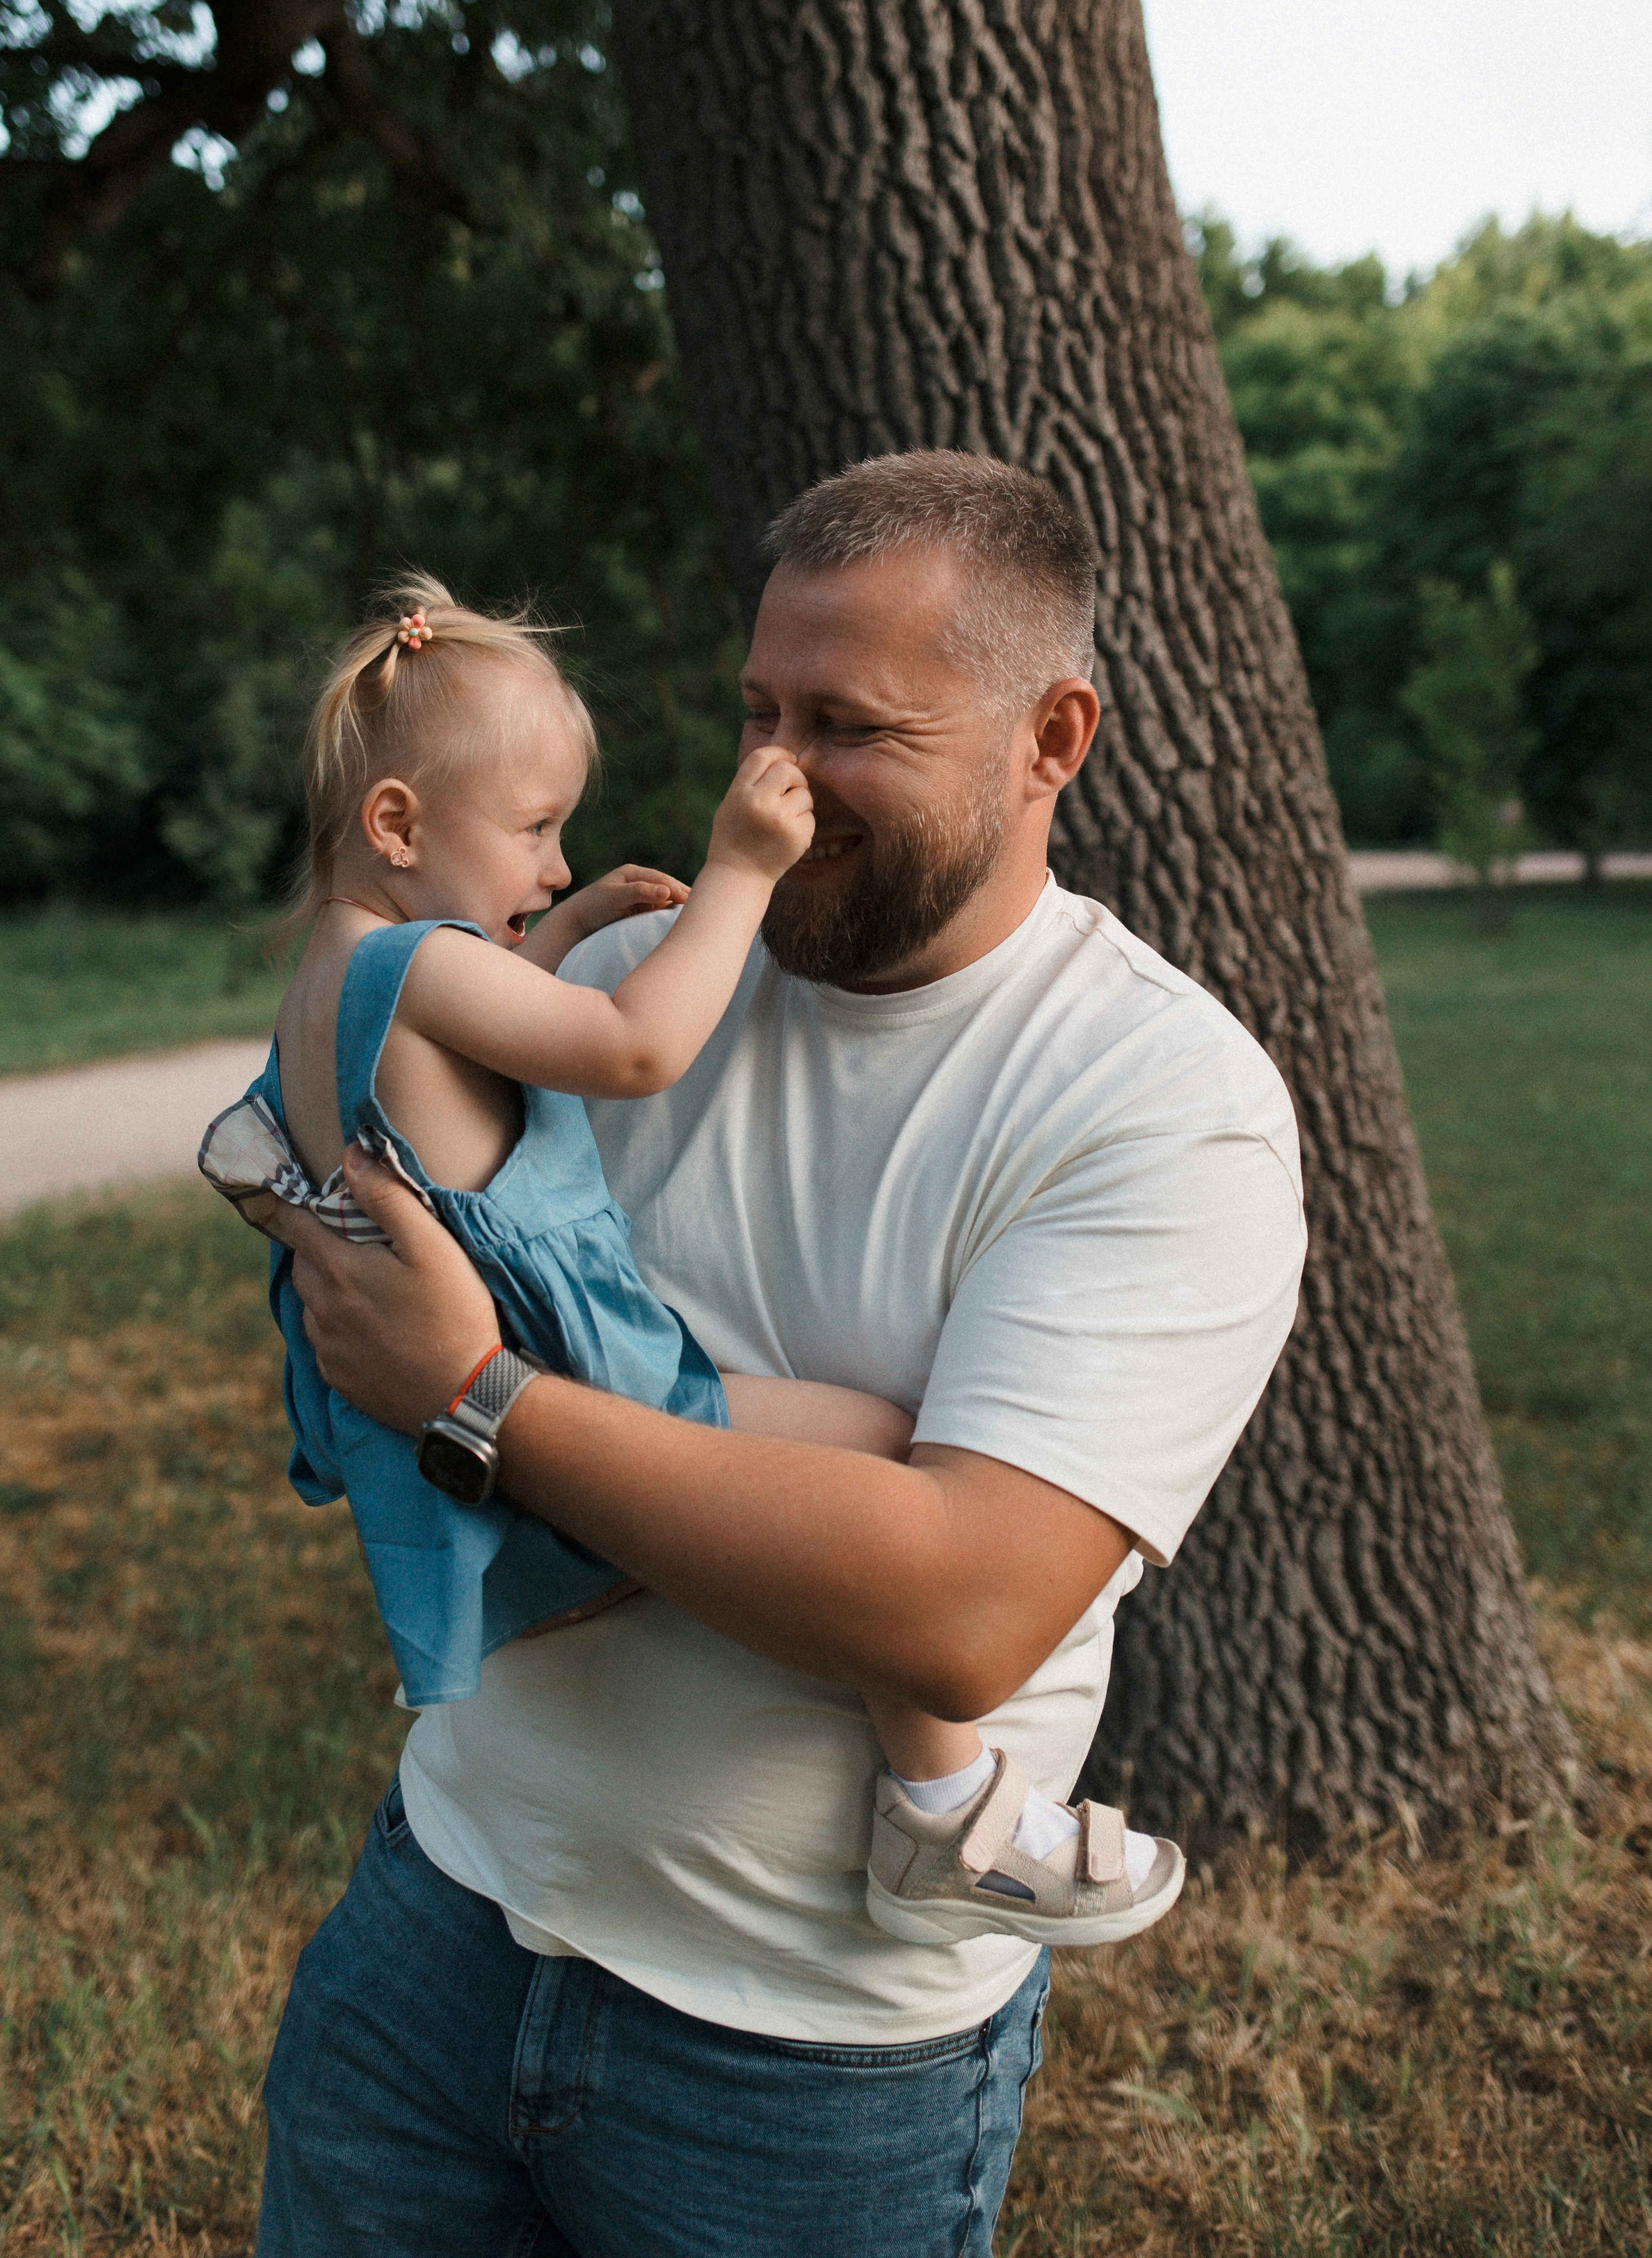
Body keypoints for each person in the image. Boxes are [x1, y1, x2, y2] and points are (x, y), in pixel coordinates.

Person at [257, 454, 1308, 2258]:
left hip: (803, 2057)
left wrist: (482, 1406)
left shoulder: (1158, 1105)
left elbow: (960, 1607)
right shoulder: (640, 978)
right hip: (443, 1915)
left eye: (849, 726)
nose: (774, 777)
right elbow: (371, 1257)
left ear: (1052, 737)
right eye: (760, 708)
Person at [200, 573, 1182, 1932]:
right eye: (536, 830)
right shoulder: (416, 963)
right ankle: (945, 1806)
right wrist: (737, 870)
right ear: (395, 824)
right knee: (880, 1436)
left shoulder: (336, 970)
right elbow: (634, 1046)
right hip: (563, 1358)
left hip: (481, 1363)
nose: (552, 860)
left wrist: (566, 928)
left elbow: (453, 1071)